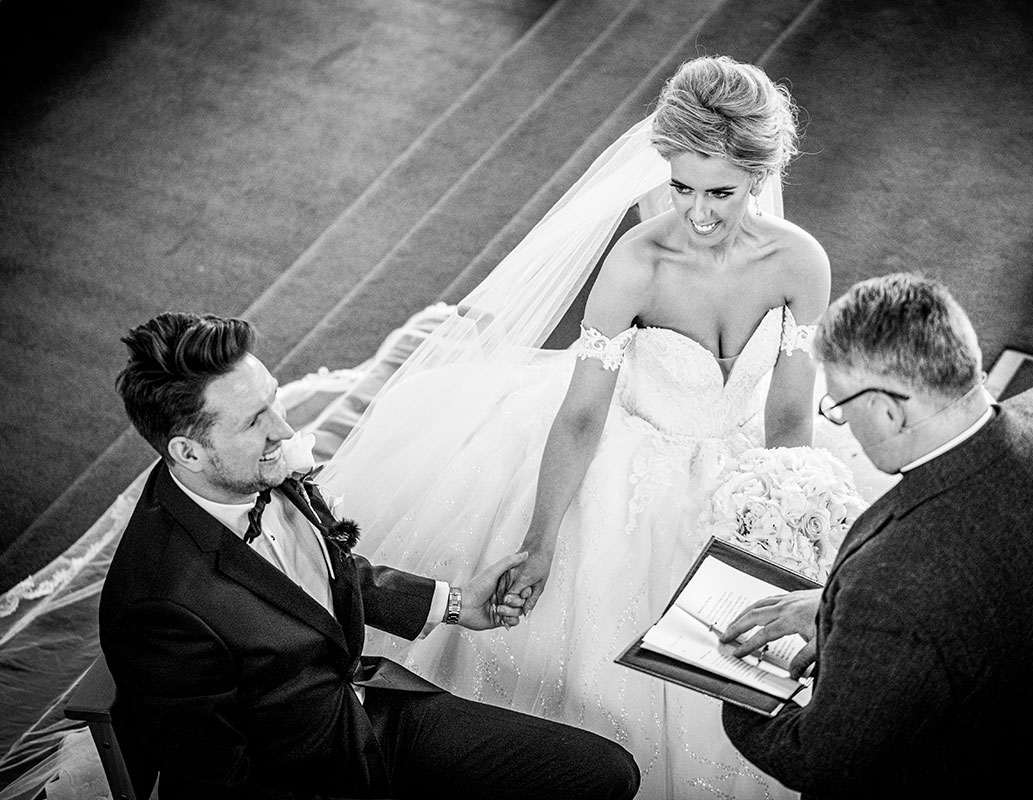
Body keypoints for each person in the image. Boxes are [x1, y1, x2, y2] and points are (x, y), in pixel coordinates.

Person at [320, 55, 846, 797]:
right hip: (623, 464)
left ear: (761, 177)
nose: (696, 214)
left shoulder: (802, 263)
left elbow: (790, 415)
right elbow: (580, 416)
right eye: (681, 187)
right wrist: (539, 543)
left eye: (720, 193)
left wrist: (785, 535)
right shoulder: (637, 263)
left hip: (739, 466)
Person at [99, 311, 640, 800]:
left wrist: (455, 605)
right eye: (252, 422)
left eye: (273, 400)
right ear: (187, 452)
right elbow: (221, 785)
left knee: (607, 773)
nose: (284, 431)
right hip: (317, 778)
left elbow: (327, 575)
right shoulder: (158, 607)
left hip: (376, 709)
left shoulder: (245, 472)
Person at [720, 273, 1033, 798]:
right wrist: (844, 618)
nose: (841, 422)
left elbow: (818, 759)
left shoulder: (893, 579)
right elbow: (990, 599)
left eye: (839, 406)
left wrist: (726, 680)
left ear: (890, 409)